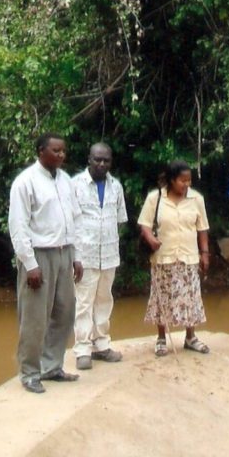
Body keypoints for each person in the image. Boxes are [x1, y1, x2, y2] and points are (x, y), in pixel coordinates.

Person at [8, 132, 83, 394]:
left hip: (64, 252)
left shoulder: (65, 181)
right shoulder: (25, 182)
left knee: (65, 311)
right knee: (35, 317)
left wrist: (77, 257)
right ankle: (29, 372)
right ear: (41, 152)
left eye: (63, 151)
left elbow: (74, 219)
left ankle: (51, 366)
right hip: (39, 254)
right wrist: (30, 264)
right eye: (55, 151)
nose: (61, 155)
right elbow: (18, 226)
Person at [137, 160, 211, 356]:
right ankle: (161, 339)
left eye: (189, 180)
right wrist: (151, 239)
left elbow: (202, 228)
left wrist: (205, 253)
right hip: (163, 257)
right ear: (171, 180)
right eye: (182, 180)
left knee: (190, 296)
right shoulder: (156, 198)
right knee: (162, 296)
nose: (186, 184)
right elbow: (144, 224)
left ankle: (191, 337)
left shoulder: (197, 199)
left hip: (189, 256)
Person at [71, 143, 128, 370]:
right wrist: (75, 256)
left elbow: (120, 220)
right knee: (84, 303)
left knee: (105, 300)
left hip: (109, 255)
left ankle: (102, 346)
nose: (101, 164)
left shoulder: (117, 187)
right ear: (89, 159)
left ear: (111, 162)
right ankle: (83, 349)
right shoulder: (75, 186)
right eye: (97, 159)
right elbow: (70, 223)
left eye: (106, 160)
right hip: (84, 257)